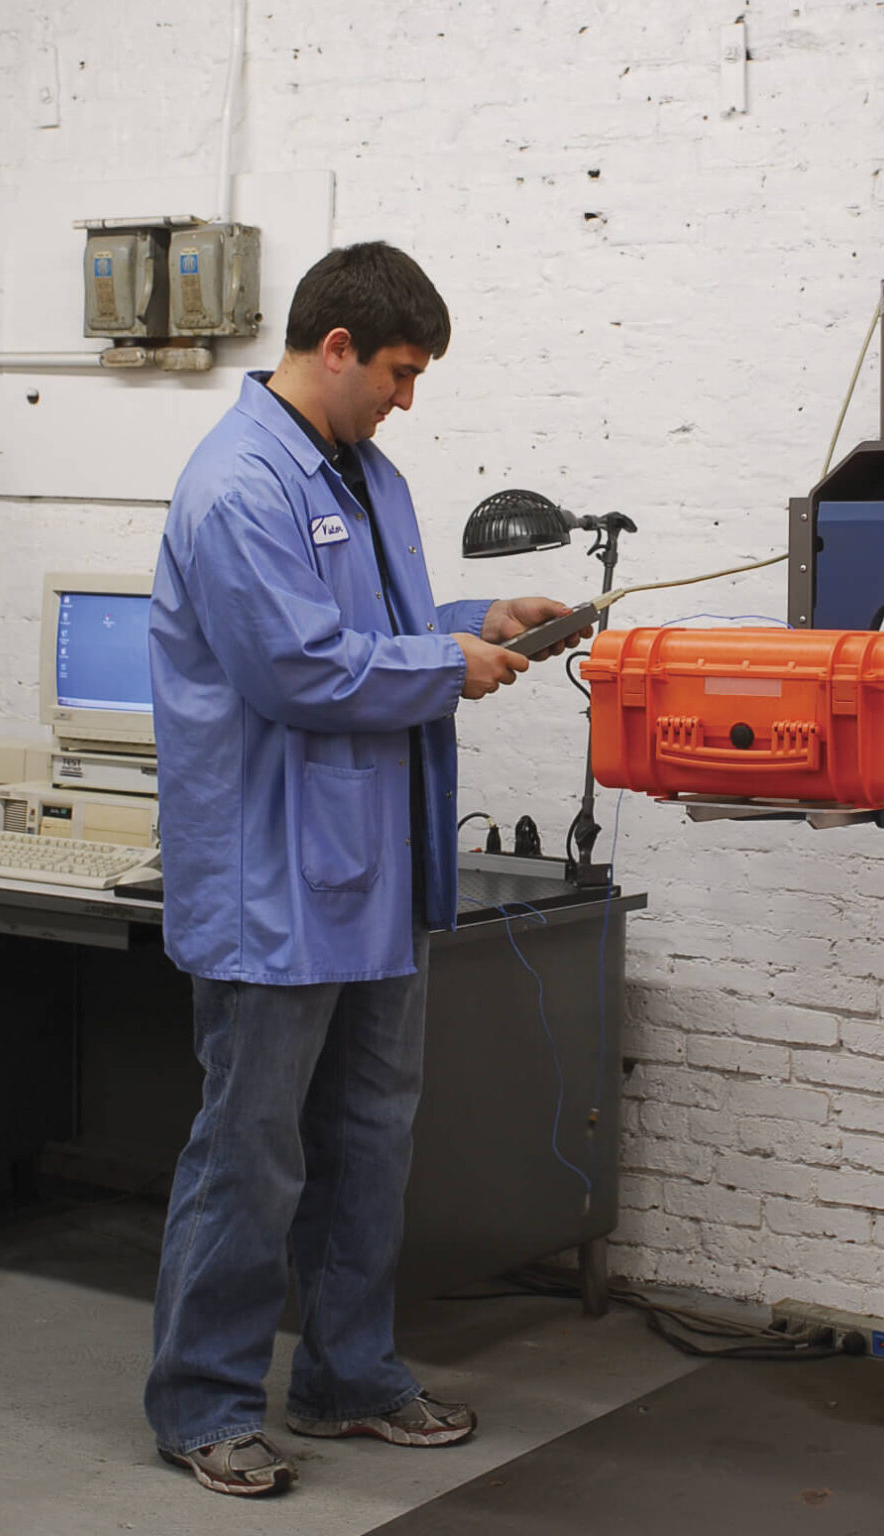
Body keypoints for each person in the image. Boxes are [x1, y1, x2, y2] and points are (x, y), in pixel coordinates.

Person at [143, 241, 581, 1498]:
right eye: (398, 370)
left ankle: (349, 1376)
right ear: (334, 347)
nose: (407, 397)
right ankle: (203, 1403)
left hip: (371, 871)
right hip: (272, 877)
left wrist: (467, 626)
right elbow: (298, 671)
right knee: (252, 1148)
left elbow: (368, 636)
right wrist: (447, 671)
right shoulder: (235, 488)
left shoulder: (370, 478)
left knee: (372, 1137)